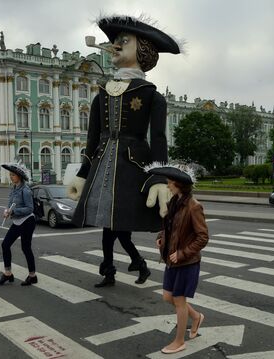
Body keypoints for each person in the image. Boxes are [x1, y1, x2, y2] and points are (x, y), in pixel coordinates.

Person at [67, 15, 182, 287]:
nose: (115, 46)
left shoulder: (152, 95)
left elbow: (158, 138)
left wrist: (159, 178)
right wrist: (83, 174)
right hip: (103, 169)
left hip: (132, 171)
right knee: (111, 228)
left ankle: (120, 268)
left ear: (143, 50)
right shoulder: (102, 94)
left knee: (115, 229)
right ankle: (123, 267)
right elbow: (92, 137)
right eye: (114, 42)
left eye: (123, 41)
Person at [147, 164, 208, 354]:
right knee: (168, 297)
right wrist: (161, 238)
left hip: (186, 261)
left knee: (179, 300)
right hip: (172, 260)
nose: (167, 186)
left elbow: (203, 237)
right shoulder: (175, 202)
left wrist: (182, 253)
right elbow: (171, 229)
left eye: (169, 183)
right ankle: (196, 317)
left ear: (178, 184)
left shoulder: (194, 206)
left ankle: (179, 341)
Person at [0, 161, 37, 286]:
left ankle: (32, 276)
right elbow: (10, 204)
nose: (11, 176)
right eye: (10, 174)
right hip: (17, 221)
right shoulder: (13, 189)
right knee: (5, 245)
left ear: (19, 176)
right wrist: (6, 211)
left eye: (13, 175)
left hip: (27, 221)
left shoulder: (26, 190)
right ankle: (8, 274)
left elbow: (30, 209)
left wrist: (13, 211)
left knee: (26, 248)